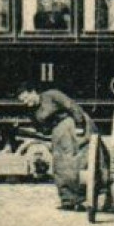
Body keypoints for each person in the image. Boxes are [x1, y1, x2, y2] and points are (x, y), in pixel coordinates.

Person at [17, 82, 93, 211]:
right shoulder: (32, 111)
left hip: (71, 126)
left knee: (72, 162)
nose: (25, 102)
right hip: (57, 132)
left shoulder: (52, 95)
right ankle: (67, 199)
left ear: (33, 92)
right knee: (59, 165)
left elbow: (71, 106)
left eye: (26, 98)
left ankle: (80, 199)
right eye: (22, 101)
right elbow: (41, 129)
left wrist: (79, 124)